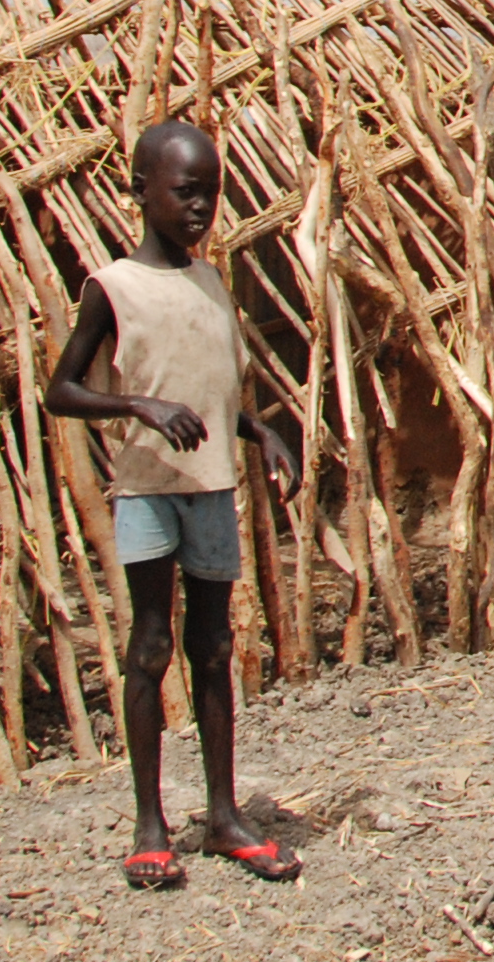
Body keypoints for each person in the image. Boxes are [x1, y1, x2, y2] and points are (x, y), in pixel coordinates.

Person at [45, 122, 302, 889]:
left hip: (213, 487)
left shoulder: (211, 282)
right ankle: (151, 824)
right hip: (150, 490)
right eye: (186, 192)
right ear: (141, 191)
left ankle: (224, 817)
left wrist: (261, 433)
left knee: (216, 649)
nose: (201, 209)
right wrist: (140, 408)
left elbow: (213, 389)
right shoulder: (112, 288)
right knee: (151, 647)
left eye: (211, 194)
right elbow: (60, 391)